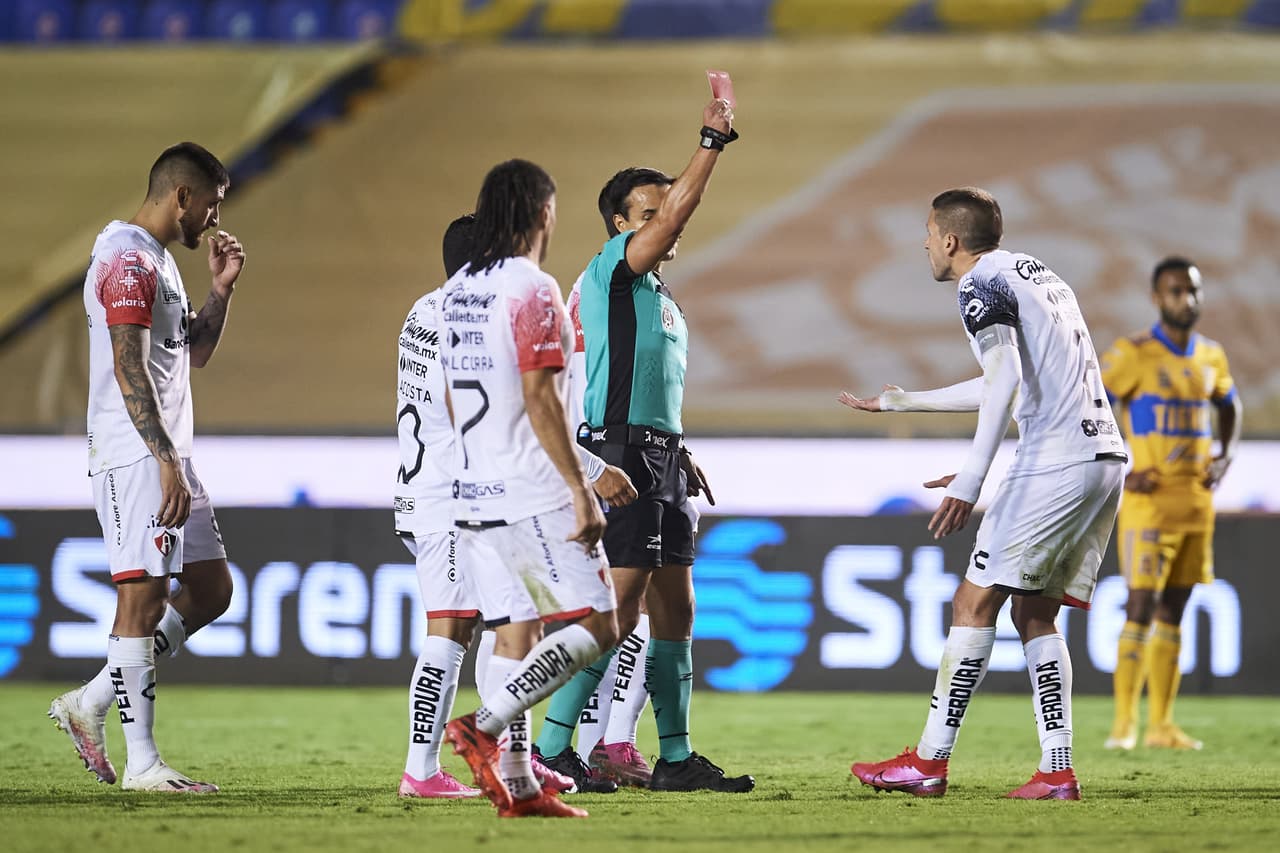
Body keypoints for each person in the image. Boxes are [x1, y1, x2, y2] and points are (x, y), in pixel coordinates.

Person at [841, 187, 1126, 800]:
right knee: (1033, 612)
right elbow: (1020, 381)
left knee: (973, 603)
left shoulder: (977, 288)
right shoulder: (1036, 274)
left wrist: (972, 480)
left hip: (1056, 460)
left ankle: (927, 762)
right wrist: (903, 401)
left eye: (927, 232)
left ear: (950, 239)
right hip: (1101, 457)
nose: (923, 243)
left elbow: (1004, 382)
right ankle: (1057, 772)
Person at [531, 94, 754, 794]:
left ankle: (677, 755)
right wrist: (711, 142)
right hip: (620, 456)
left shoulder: (657, 293)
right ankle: (552, 747)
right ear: (620, 227)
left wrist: (677, 451)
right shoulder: (611, 272)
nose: (665, 221)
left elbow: (652, 382)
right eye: (649, 214)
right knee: (616, 610)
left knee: (674, 611)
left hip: (660, 457)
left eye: (666, 210)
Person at [395, 215, 634, 799]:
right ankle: (424, 770)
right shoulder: (475, 318)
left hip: (434, 488)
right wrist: (593, 472)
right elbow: (519, 410)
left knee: (511, 626)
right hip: (456, 495)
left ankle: (510, 762)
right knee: (453, 628)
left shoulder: (423, 312)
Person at [48, 142, 244, 793]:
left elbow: (193, 353)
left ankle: (93, 699)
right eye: (210, 206)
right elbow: (128, 366)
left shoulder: (160, 261)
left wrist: (220, 291)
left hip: (168, 451)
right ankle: (143, 763)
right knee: (143, 596)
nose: (213, 220)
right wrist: (163, 460)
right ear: (180, 196)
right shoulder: (126, 258)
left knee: (214, 588)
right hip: (137, 452)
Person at [439, 159, 622, 819]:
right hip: (532, 488)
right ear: (544, 213)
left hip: (474, 488)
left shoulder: (458, 291)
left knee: (516, 630)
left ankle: (517, 783)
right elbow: (543, 397)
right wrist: (580, 488)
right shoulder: (533, 288)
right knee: (598, 622)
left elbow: (452, 397)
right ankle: (483, 725)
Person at [1101, 257, 1241, 752]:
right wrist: (1122, 463)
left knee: (1175, 610)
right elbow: (1094, 401)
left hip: (1195, 503)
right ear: (1157, 297)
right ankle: (1123, 724)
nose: (1188, 299)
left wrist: (1223, 459)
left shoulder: (1211, 355)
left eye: (1194, 291)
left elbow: (1230, 406)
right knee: (1139, 604)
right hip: (1149, 503)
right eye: (1177, 291)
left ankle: (1161, 724)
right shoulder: (1133, 353)